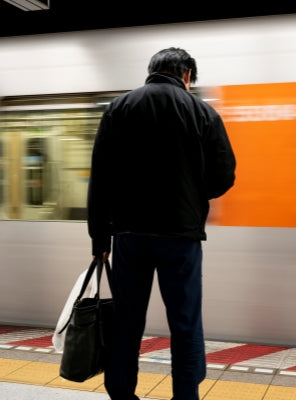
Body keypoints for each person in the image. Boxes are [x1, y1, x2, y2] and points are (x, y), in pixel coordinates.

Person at [87, 48, 236, 400]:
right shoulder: (202, 112)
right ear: (186, 75)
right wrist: (195, 194)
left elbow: (100, 178)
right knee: (185, 324)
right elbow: (225, 175)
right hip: (180, 237)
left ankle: (122, 393)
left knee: (127, 321)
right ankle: (185, 396)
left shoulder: (119, 108)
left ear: (151, 71)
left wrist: (99, 238)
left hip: (128, 234)